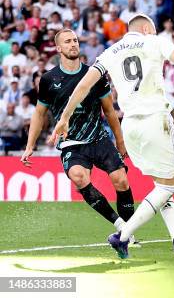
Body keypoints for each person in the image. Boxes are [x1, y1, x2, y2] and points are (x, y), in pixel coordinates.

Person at [50, 14, 174, 260]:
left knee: (162, 185)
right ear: (147, 29)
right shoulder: (154, 42)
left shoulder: (111, 51)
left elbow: (82, 86)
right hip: (155, 119)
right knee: (167, 186)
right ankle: (123, 235)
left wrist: (64, 117)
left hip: (131, 126)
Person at [20, 29, 137, 243]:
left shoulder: (95, 74)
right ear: (58, 48)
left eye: (75, 40)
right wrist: (30, 145)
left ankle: (130, 232)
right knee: (78, 177)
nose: (73, 44)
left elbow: (110, 111)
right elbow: (39, 113)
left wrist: (120, 141)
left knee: (120, 180)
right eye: (67, 41)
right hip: (71, 143)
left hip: (98, 138)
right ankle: (121, 226)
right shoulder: (48, 79)